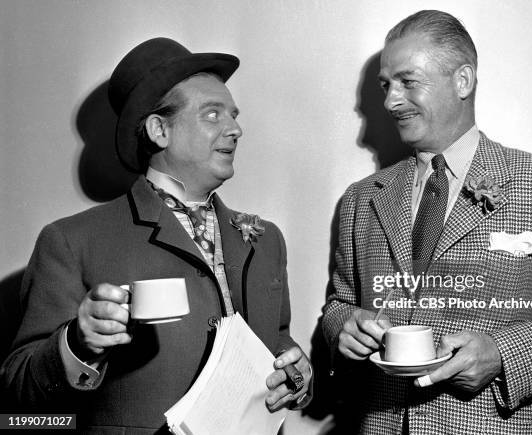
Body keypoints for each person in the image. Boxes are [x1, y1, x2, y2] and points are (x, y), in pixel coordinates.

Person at [1, 37, 311, 433]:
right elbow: (18, 391)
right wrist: (78, 344)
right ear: (159, 130)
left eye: (233, 115)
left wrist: (298, 375)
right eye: (213, 115)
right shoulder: (70, 241)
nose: (236, 129)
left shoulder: (268, 240)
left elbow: (280, 343)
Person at [322, 10, 532, 434]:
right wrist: (343, 329)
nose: (389, 102)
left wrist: (502, 354)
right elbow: (339, 304)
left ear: (463, 80)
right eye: (386, 85)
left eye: (407, 81)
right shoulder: (361, 198)